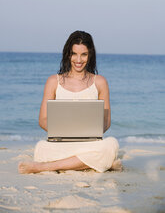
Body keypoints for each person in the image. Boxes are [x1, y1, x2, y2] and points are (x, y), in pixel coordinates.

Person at [18, 31, 122, 174]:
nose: (78, 60)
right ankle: (95, 163)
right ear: (68, 54)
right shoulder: (54, 81)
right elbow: (42, 120)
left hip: (89, 144)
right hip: (61, 144)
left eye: (84, 54)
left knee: (111, 144)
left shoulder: (100, 82)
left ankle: (43, 167)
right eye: (74, 54)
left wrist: (88, 131)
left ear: (90, 55)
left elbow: (106, 121)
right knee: (41, 148)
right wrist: (63, 130)